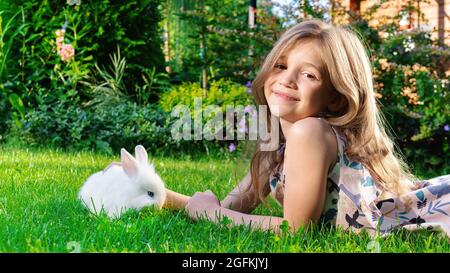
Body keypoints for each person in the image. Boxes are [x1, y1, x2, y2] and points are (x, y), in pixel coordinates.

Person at [163, 19, 450, 237]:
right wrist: (157, 194)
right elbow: (228, 209)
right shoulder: (277, 147)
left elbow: (297, 231)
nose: (287, 79)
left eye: (309, 75)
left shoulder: (310, 132)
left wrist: (210, 215)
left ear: (336, 99)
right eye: (280, 66)